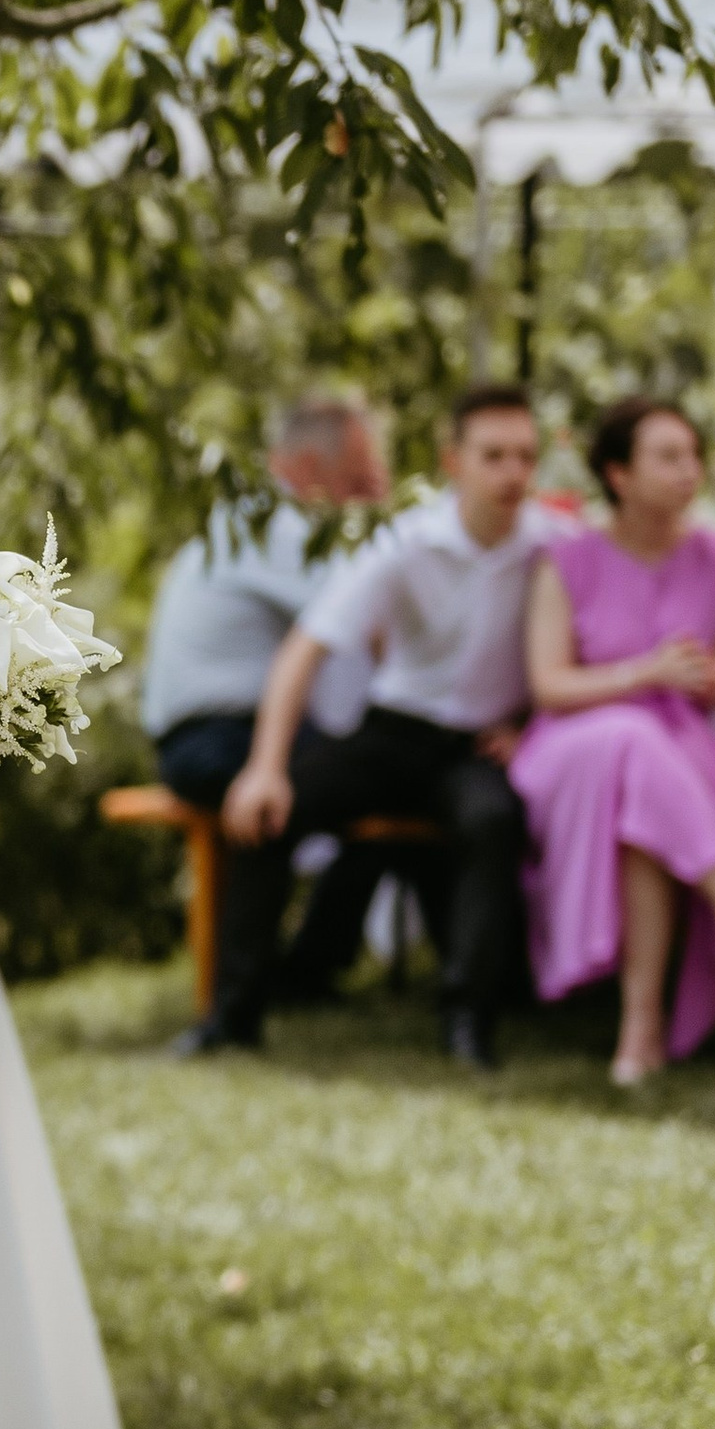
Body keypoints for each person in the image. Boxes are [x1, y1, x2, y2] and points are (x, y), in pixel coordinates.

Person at [219, 385, 548, 1067]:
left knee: (494, 823)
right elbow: (304, 649)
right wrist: (265, 767)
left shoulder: (555, 548)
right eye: (494, 456)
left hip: (474, 749)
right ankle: (232, 1015)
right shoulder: (406, 540)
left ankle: (469, 1024)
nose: (512, 473)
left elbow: (583, 651)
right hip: (393, 735)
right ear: (454, 460)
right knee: (267, 813)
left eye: (525, 456)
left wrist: (527, 724)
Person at [509, 393, 715, 1083]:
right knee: (630, 742)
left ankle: (641, 1030)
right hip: (573, 746)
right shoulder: (565, 560)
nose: (687, 470)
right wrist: (645, 672)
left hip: (680, 746)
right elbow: (549, 686)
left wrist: (706, 677)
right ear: (618, 473)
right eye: (667, 457)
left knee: (644, 799)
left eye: (693, 456)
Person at [140, 388, 392, 1049]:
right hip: (215, 738)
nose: (367, 483)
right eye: (360, 468)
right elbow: (370, 617)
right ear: (313, 465)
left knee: (379, 783)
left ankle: (305, 970)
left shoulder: (247, 519)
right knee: (285, 804)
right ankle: (245, 1005)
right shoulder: (280, 529)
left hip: (209, 731)